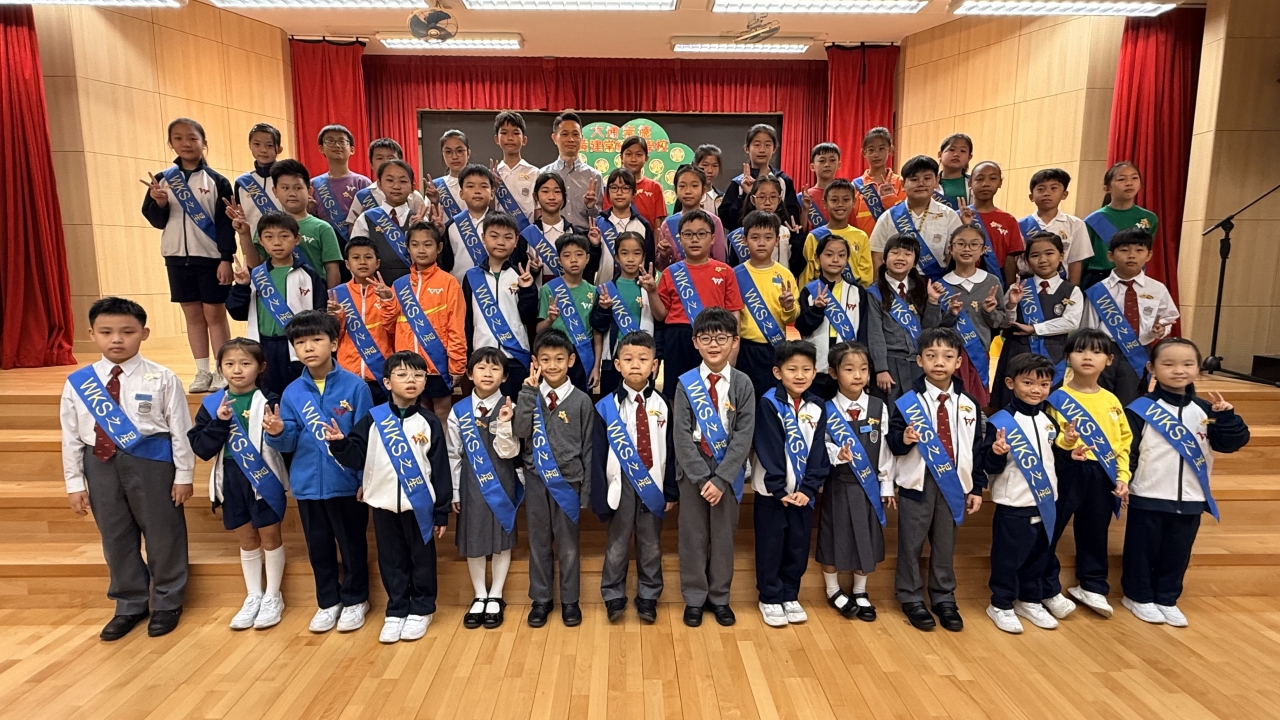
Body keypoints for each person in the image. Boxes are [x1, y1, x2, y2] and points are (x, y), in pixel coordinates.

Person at [61, 297, 194, 640]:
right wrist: (74, 483)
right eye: (106, 332)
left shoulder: (161, 377)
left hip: (152, 461)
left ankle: (167, 601)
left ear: (144, 333)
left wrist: (184, 475)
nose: (117, 339)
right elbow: (71, 435)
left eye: (127, 331)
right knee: (115, 534)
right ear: (92, 334)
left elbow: (181, 430)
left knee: (163, 533)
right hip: (99, 463)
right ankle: (129, 603)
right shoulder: (79, 382)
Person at [1121, 338, 1250, 627]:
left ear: (1198, 368)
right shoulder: (1139, 409)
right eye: (1168, 364)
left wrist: (1227, 419)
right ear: (1152, 368)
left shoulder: (1207, 409)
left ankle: (1167, 598)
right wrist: (1125, 480)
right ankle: (1138, 596)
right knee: (1142, 551)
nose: (1179, 370)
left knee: (1178, 552)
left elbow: (1229, 444)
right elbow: (1129, 451)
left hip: (1191, 497)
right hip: (1149, 493)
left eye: (1187, 364)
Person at [327, 351, 451, 644]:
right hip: (383, 504)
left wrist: (442, 510)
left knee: (422, 560)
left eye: (418, 375)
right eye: (402, 375)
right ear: (386, 382)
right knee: (391, 559)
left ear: (425, 382)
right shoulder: (373, 419)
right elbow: (356, 458)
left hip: (419, 506)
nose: (411, 380)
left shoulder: (429, 422)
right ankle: (396, 609)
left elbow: (440, 469)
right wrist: (340, 444)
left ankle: (422, 609)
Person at [263, 310, 374, 635]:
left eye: (316, 339)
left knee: (352, 545)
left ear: (334, 343)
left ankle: (356, 600)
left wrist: (364, 480)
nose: (308, 347)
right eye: (300, 343)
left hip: (347, 483)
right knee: (319, 547)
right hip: (308, 485)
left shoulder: (356, 387)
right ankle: (328, 602)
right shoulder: (292, 392)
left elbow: (367, 440)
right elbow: (288, 442)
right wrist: (277, 432)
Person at [887, 327, 986, 632]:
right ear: (919, 360)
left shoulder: (969, 403)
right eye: (931, 355)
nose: (939, 362)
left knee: (944, 545)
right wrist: (903, 438)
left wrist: (976, 487)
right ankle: (910, 596)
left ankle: (944, 596)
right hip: (917, 484)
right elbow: (892, 442)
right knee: (911, 543)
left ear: (958, 362)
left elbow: (976, 449)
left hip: (954, 485)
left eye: (947, 356)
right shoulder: (906, 401)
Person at [188, 338, 289, 631]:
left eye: (245, 363)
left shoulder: (271, 400)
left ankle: (273, 595)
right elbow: (201, 448)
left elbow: (285, 443)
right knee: (246, 539)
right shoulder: (212, 404)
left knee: (270, 536)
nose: (237, 370)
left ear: (261, 367)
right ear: (220, 368)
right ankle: (253, 594)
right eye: (229, 364)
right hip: (230, 477)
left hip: (264, 477)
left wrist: (277, 432)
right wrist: (219, 423)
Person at [672, 308, 756, 628]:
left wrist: (721, 479)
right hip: (693, 471)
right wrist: (700, 476)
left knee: (722, 538)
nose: (714, 345)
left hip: (727, 472)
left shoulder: (743, 384)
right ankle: (694, 598)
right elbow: (681, 435)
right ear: (695, 342)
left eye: (721, 338)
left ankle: (720, 597)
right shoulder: (685, 384)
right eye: (706, 338)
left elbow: (744, 435)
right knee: (692, 537)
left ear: (734, 341)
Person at [590, 331, 677, 624]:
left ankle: (648, 596)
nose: (636, 365)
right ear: (617, 365)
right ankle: (613, 595)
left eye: (643, 359)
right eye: (628, 359)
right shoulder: (606, 406)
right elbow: (598, 453)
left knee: (650, 544)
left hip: (654, 484)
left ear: (655, 365)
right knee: (617, 543)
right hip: (620, 485)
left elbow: (671, 450)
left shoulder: (663, 404)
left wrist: (670, 490)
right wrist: (599, 495)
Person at [141, 117, 234, 393]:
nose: (186, 143)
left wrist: (226, 258)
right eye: (179, 138)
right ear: (170, 143)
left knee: (215, 314)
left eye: (193, 138)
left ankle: (221, 371)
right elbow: (156, 220)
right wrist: (159, 203)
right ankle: (202, 371)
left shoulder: (217, 181)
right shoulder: (162, 180)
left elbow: (225, 224)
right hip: (176, 258)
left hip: (211, 258)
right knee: (192, 314)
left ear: (204, 143)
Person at [1044, 329, 1132, 618]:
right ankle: (1045, 586)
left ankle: (1092, 585)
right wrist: (1067, 442)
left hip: (1103, 473)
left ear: (1109, 360)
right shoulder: (1056, 397)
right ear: (1067, 357)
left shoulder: (1112, 400)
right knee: (1050, 530)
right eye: (1080, 350)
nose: (1087, 357)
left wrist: (1122, 476)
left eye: (1096, 352)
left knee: (1095, 530)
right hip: (1068, 470)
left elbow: (1123, 443)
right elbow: (1048, 438)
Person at [512, 329, 596, 628]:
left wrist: (586, 491)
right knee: (538, 541)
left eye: (559, 359)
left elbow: (588, 448)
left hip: (569, 482)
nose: (552, 365)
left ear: (571, 361)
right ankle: (541, 599)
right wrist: (527, 394)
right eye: (545, 359)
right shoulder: (529, 394)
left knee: (568, 543)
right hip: (536, 479)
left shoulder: (582, 401)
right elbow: (520, 432)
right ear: (535, 362)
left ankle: (570, 600)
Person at [981, 353, 1065, 634]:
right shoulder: (1000, 422)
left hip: (1046, 503)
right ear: (1010, 383)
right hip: (1013, 505)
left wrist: (1071, 453)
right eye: (1028, 383)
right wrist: (996, 453)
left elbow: (1051, 460)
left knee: (1039, 555)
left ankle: (1029, 600)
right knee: (1008, 559)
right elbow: (987, 465)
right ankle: (1001, 604)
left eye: (1043, 384)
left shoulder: (1048, 421)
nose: (1036, 390)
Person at [752, 341, 830, 627]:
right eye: (792, 369)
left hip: (803, 495)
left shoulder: (817, 406)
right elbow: (768, 448)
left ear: (814, 372)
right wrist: (779, 489)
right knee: (771, 546)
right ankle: (769, 597)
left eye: (806, 369)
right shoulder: (768, 403)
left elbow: (819, 451)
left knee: (797, 546)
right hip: (772, 494)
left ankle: (790, 594)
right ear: (778, 372)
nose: (800, 375)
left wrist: (808, 489)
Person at [817, 342, 895, 621]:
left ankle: (861, 591)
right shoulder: (826, 409)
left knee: (867, 536)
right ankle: (832, 589)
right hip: (839, 482)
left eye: (863, 369)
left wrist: (887, 484)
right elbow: (821, 444)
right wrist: (836, 454)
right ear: (834, 373)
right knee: (833, 535)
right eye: (849, 369)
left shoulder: (878, 406)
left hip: (868, 486)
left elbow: (885, 449)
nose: (858, 375)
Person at [449, 347, 524, 630]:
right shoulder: (459, 410)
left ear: (504, 376)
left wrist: (504, 424)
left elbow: (510, 452)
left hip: (502, 479)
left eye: (495, 368)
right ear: (470, 374)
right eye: (481, 367)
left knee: (502, 535)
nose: (488, 373)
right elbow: (453, 454)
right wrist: (455, 491)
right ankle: (480, 594)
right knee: (475, 537)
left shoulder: (511, 407)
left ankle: (497, 594)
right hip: (470, 482)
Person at [226, 211, 328, 398]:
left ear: (296, 239)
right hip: (263, 346)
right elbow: (237, 312)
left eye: (284, 236)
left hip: (297, 348)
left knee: (300, 396)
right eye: (269, 237)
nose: (277, 243)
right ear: (261, 241)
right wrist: (241, 286)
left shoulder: (308, 275)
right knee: (268, 397)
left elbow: (321, 312)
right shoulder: (255, 276)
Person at [1079, 227, 1177, 406]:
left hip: (1139, 351)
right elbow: (1088, 327)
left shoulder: (1157, 289)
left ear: (1149, 255)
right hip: (1104, 351)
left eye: (1139, 250)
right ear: (1110, 256)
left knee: (1132, 400)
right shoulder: (1099, 290)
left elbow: (1168, 317)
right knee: (1099, 398)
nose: (1131, 255)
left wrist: (1162, 329)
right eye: (1124, 250)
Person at [385, 222, 467, 426]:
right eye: (415, 245)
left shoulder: (449, 282)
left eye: (427, 244)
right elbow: (389, 326)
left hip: (438, 363)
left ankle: (442, 448)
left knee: (441, 414)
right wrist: (387, 302)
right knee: (415, 415)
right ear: (408, 248)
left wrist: (457, 364)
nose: (421, 250)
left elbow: (456, 326)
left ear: (439, 248)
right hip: (407, 364)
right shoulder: (399, 285)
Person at [655, 210, 743, 398]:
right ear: (680, 239)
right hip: (677, 338)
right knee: (675, 391)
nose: (694, 239)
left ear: (712, 238)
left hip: (713, 337)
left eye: (701, 234)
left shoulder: (725, 272)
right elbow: (660, 314)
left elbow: (734, 312)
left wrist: (733, 349)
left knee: (712, 390)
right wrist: (650, 291)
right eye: (688, 234)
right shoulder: (670, 273)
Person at [991, 232, 1083, 409]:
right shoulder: (1018, 287)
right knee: (1010, 403)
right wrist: (1011, 305)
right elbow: (1004, 323)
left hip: (1052, 354)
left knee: (1046, 406)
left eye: (1049, 253)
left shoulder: (1072, 291)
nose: (1043, 260)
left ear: (1061, 255)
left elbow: (1071, 322)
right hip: (1017, 352)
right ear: (1027, 260)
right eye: (1035, 255)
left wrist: (1035, 328)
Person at [462, 213, 539, 398]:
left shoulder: (521, 275)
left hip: (515, 356)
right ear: (483, 238)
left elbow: (529, 317)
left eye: (507, 237)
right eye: (494, 236)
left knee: (515, 408)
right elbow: (466, 320)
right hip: (481, 357)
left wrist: (527, 290)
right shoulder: (471, 277)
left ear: (516, 240)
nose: (501, 242)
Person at [233, 158, 342, 289]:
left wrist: (330, 298)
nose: (292, 193)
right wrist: (244, 234)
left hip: (314, 295)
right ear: (275, 192)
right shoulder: (267, 225)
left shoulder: (323, 228)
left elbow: (332, 269)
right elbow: (255, 263)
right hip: (275, 293)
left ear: (309, 191)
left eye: (298, 188)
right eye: (285, 188)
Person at [866, 234, 946, 402]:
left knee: (918, 409)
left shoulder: (921, 288)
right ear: (884, 258)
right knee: (892, 411)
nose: (901, 258)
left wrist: (933, 301)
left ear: (915, 262)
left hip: (917, 362)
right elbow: (875, 334)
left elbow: (929, 329)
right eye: (895, 252)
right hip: (890, 363)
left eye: (908, 254)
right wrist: (881, 369)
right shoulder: (874, 292)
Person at [939, 224, 1007, 408]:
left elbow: (999, 321)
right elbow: (934, 325)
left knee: (976, 404)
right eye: (961, 244)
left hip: (979, 353)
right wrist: (951, 314)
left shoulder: (991, 282)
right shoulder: (940, 285)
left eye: (974, 244)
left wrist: (989, 311)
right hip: (948, 354)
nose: (967, 249)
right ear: (951, 248)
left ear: (983, 250)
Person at [734, 210, 800, 399]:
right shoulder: (735, 274)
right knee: (745, 399)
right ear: (744, 240)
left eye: (768, 237)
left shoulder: (785, 274)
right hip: (745, 349)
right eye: (755, 237)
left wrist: (788, 307)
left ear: (777, 240)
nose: (761, 243)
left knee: (773, 399)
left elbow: (793, 316)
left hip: (775, 347)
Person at [796, 234, 870, 400]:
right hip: (817, 364)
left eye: (841, 255)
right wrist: (816, 309)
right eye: (829, 254)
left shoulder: (857, 292)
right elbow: (802, 328)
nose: (835, 260)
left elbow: (863, 331)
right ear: (817, 258)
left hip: (848, 366)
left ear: (847, 259)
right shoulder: (809, 290)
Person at [591, 232, 663, 396]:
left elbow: (660, 324)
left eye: (636, 253)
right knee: (612, 405)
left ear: (643, 256)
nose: (630, 259)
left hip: (644, 358)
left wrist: (657, 357)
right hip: (614, 360)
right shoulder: (606, 289)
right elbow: (598, 327)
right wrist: (604, 309)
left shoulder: (651, 287)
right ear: (616, 257)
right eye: (624, 253)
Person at [325, 237, 395, 405]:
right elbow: (333, 336)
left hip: (381, 372)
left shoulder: (388, 292)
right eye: (356, 257)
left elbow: (393, 329)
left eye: (368, 257)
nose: (362, 262)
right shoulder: (336, 294)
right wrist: (336, 316)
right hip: (348, 373)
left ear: (377, 263)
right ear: (347, 264)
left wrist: (388, 301)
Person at [869, 155, 961, 280]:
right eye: (914, 179)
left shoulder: (949, 216)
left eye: (927, 178)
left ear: (936, 181)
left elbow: (953, 257)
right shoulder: (888, 217)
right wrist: (881, 287)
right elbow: (877, 257)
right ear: (903, 184)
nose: (921, 184)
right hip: (896, 284)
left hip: (936, 284)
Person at [536, 234, 600, 393]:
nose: (573, 260)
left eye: (579, 254)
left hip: (583, 355)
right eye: (566, 255)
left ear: (587, 258)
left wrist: (596, 366)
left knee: (581, 399)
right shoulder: (548, 289)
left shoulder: (593, 291)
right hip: (555, 354)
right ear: (559, 260)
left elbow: (597, 332)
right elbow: (539, 330)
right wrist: (550, 320)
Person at [1081, 161, 1158, 290]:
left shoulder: (1149, 218)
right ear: (1107, 188)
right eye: (1121, 179)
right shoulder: (1093, 220)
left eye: (1134, 178)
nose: (1129, 183)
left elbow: (1145, 251)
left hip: (1133, 279)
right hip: (1099, 282)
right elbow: (1082, 261)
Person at [349, 159, 425, 284]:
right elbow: (356, 258)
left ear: (412, 187)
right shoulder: (366, 219)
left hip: (414, 286)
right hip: (375, 287)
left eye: (403, 181)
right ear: (379, 184)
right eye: (390, 180)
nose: (396, 186)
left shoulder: (420, 220)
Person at [1015, 168, 1093, 286]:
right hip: (1027, 285)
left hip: (1060, 283)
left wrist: (1072, 290)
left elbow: (1075, 261)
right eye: (1041, 189)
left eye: (1053, 188)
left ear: (1064, 194)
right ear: (1031, 196)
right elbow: (1015, 261)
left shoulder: (1075, 224)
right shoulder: (1019, 225)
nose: (1046, 193)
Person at [719, 123, 801, 231]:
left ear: (774, 148)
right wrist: (745, 196)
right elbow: (727, 220)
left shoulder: (783, 181)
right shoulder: (738, 183)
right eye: (757, 145)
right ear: (747, 148)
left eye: (767, 145)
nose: (762, 150)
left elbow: (792, 218)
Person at [799, 178, 873, 287]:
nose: (840, 204)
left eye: (846, 200)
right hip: (821, 294)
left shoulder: (861, 236)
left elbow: (867, 275)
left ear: (854, 202)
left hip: (853, 294)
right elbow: (807, 275)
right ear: (824, 203)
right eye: (834, 200)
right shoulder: (813, 237)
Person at [540, 112, 603, 228]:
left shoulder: (594, 177)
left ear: (581, 138)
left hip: (584, 237)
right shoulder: (543, 174)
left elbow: (600, 219)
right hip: (552, 236)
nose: (571, 139)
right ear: (554, 138)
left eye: (575, 134)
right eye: (565, 134)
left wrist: (590, 207)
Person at [311, 124, 371, 244]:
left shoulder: (362, 182)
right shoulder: (313, 184)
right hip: (325, 243)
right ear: (321, 148)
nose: (337, 145)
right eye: (330, 141)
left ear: (352, 149)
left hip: (357, 244)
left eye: (342, 141)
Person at [345, 138, 427, 227]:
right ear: (371, 164)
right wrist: (359, 224)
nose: (385, 162)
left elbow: (426, 226)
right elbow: (352, 230)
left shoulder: (414, 196)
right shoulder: (363, 196)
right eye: (379, 158)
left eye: (391, 158)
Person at [594, 167, 657, 282]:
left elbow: (649, 262)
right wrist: (594, 246)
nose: (619, 193)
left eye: (625, 188)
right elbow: (591, 263)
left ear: (634, 193)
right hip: (604, 288)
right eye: (614, 188)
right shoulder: (598, 224)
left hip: (636, 288)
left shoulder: (643, 225)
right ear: (607, 193)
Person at [442, 163, 501, 283]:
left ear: (492, 194)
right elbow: (445, 263)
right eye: (470, 186)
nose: (477, 191)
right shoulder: (451, 225)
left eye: (483, 186)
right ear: (461, 194)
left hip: (495, 289)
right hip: (459, 289)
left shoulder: (502, 225)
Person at [732, 173, 802, 273]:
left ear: (779, 199)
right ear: (753, 200)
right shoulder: (739, 235)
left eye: (773, 197)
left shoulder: (786, 231)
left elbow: (797, 268)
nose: (768, 202)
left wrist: (796, 239)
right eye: (762, 197)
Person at [523, 172, 586, 283]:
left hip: (570, 293)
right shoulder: (527, 235)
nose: (551, 197)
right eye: (545, 191)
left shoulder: (575, 233)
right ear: (535, 196)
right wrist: (534, 270)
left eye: (557, 192)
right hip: (537, 292)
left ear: (564, 197)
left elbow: (587, 271)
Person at [662, 164, 729, 265]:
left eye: (694, 186)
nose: (688, 191)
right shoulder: (667, 224)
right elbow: (662, 266)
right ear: (676, 190)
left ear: (703, 190)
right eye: (682, 186)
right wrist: (664, 256)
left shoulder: (714, 221)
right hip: (678, 275)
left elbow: (720, 261)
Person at [967, 161, 1021, 280]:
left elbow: (1010, 258)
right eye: (979, 179)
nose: (985, 184)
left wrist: (1009, 287)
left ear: (1000, 182)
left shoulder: (1009, 220)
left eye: (992, 178)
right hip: (964, 281)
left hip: (997, 281)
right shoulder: (959, 216)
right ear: (970, 183)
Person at [851, 127, 905, 239]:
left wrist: (889, 199)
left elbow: (905, 215)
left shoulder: (900, 182)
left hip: (893, 243)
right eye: (871, 150)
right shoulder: (855, 186)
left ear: (890, 150)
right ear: (863, 153)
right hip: (864, 244)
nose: (876, 154)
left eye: (881, 149)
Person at [234, 123, 283, 238]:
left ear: (279, 149)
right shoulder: (242, 183)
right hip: (252, 244)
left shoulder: (287, 178)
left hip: (284, 243)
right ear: (250, 145)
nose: (263, 150)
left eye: (269, 145)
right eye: (257, 144)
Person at [493, 112, 539, 222]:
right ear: (496, 139)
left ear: (524, 140)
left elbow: (538, 208)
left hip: (527, 230)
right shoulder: (493, 175)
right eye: (504, 133)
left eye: (515, 133)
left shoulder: (534, 173)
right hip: (499, 229)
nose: (510, 138)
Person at [619, 136, 669, 226]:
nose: (633, 159)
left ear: (646, 158)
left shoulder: (655, 187)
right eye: (628, 154)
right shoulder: (613, 186)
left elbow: (658, 224)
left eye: (638, 155)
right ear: (621, 157)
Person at [425, 129, 471, 222]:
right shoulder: (435, 186)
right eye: (448, 152)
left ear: (468, 153)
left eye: (459, 151)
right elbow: (428, 223)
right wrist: (434, 203)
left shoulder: (480, 182)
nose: (454, 157)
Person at [801, 142, 841, 232]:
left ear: (839, 165)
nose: (827, 164)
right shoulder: (804, 197)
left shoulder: (845, 195)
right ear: (812, 167)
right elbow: (800, 232)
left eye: (832, 160)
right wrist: (805, 210)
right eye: (822, 161)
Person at [935, 133, 973, 210]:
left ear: (969, 157)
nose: (956, 154)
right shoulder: (930, 182)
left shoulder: (973, 183)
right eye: (952, 149)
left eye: (963, 151)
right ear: (940, 155)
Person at [695, 144, 724, 215]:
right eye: (705, 165)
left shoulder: (722, 198)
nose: (710, 170)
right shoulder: (688, 196)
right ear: (695, 166)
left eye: (715, 166)